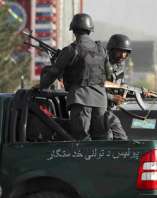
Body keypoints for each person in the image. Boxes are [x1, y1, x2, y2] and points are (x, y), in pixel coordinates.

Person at [39, 13, 111, 141]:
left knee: (81, 139)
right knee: (101, 138)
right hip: (101, 100)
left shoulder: (71, 50)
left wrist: (40, 86)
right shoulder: (102, 49)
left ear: (74, 30)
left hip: (81, 99)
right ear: (90, 30)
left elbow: (53, 72)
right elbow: (109, 74)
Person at [104, 34, 134, 140]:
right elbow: (94, 88)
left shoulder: (120, 67)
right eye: (119, 51)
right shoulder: (101, 65)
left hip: (109, 109)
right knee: (117, 138)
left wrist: (132, 92)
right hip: (97, 109)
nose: (122, 55)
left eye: (125, 53)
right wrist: (112, 98)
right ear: (111, 50)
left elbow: (120, 87)